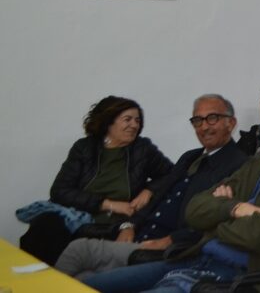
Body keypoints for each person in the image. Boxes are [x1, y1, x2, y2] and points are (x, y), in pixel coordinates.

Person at [83, 96, 260, 292]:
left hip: (237, 278)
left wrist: (216, 219)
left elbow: (259, 235)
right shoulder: (257, 165)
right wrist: (235, 208)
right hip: (195, 258)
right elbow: (195, 209)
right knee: (86, 286)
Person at [55, 94, 247, 279]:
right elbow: (161, 190)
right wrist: (130, 224)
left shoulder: (240, 165)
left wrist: (170, 240)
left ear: (231, 123)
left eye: (212, 118)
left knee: (79, 254)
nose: (204, 126)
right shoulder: (190, 156)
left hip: (168, 250)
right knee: (80, 273)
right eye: (197, 120)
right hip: (137, 235)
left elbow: (219, 220)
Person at [20, 96, 172, 266]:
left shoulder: (142, 149)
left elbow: (172, 175)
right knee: (44, 226)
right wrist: (108, 204)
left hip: (116, 224)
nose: (134, 125)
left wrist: (149, 190)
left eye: (137, 120)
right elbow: (60, 191)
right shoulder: (84, 148)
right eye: (127, 119)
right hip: (79, 217)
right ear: (108, 122)